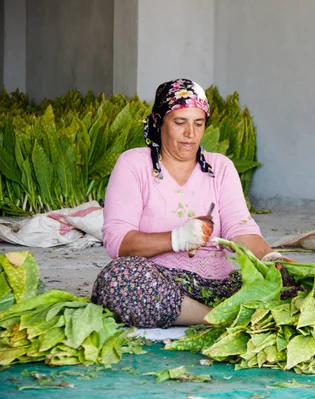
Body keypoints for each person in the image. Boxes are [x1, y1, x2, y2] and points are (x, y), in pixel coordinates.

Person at [91, 78, 294, 328]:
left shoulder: (220, 167)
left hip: (218, 285)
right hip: (160, 282)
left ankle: (222, 312)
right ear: (158, 122)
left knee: (292, 285)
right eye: (180, 122)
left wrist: (271, 259)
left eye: (198, 124)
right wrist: (176, 238)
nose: (191, 134)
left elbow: (240, 230)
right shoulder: (133, 165)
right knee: (118, 279)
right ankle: (217, 319)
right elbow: (118, 241)